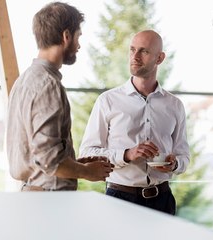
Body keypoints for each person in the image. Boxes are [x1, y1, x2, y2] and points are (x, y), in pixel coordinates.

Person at [79, 30, 190, 215]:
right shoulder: (107, 101)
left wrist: (174, 164)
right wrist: (126, 155)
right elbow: (87, 153)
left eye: (144, 51)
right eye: (132, 50)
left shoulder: (174, 105)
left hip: (163, 201)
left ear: (160, 58)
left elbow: (184, 155)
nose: (135, 57)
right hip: (119, 199)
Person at [6, 2, 113, 191]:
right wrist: (89, 172)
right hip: (49, 200)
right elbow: (49, 160)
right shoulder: (47, 85)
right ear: (66, 36)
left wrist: (74, 163)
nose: (79, 45)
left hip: (34, 192)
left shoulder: (24, 80)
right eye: (78, 36)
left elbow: (38, 154)